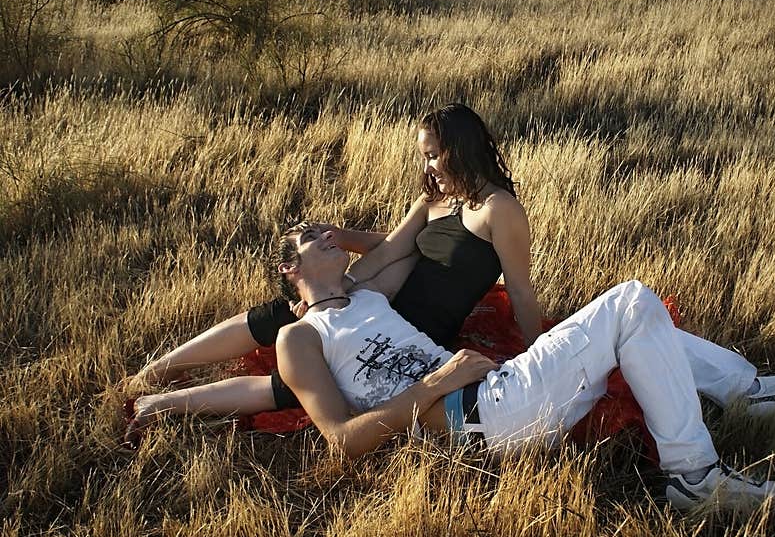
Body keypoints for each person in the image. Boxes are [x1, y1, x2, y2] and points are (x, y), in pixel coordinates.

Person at [129, 223, 775, 510]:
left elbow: (412, 234)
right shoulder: (299, 338)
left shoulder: (367, 293)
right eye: (310, 236)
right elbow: (340, 440)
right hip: (473, 412)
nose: (324, 234)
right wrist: (434, 382)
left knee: (639, 323)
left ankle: (749, 392)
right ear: (289, 270)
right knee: (630, 303)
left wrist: (348, 234)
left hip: (497, 395)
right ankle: (695, 476)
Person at [130, 103, 543, 421]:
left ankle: (167, 404)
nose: (427, 167)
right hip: (376, 301)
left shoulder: (498, 208)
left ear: (460, 149)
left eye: (433, 155)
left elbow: (520, 288)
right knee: (279, 315)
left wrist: (534, 352)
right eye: (424, 156)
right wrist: (337, 293)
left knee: (303, 380)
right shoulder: (434, 199)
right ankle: (161, 369)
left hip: (414, 325)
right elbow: (390, 250)